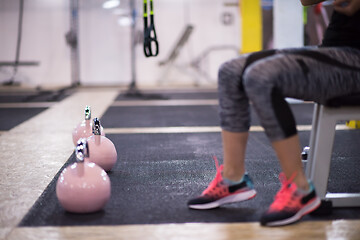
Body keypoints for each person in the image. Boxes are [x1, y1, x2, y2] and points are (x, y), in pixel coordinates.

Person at [187, 0, 360, 227]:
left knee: (261, 76)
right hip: (335, 50)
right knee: (230, 71)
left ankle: (300, 189)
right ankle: (233, 178)